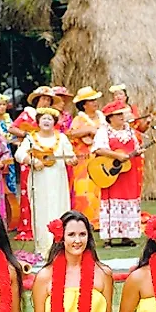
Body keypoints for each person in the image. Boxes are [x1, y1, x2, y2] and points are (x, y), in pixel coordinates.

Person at [15, 108, 77, 258]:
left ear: (54, 122)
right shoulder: (31, 138)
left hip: (58, 181)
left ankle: (61, 247)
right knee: (41, 211)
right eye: (44, 118)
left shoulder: (61, 138)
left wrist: (72, 160)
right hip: (39, 180)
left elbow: (70, 155)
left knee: (59, 209)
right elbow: (19, 154)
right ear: (38, 121)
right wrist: (32, 161)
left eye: (50, 119)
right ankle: (43, 248)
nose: (47, 121)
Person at [13, 85, 61, 241]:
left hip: (48, 158)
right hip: (30, 156)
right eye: (43, 98)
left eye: (48, 99)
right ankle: (28, 225)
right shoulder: (28, 114)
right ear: (37, 100)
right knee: (29, 190)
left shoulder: (51, 117)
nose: (46, 102)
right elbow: (11, 128)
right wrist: (26, 135)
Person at [92, 101, 142, 247]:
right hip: (111, 173)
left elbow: (135, 148)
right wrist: (116, 156)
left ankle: (127, 235)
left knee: (129, 198)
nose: (122, 117)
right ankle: (109, 237)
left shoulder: (130, 131)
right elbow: (99, 149)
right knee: (112, 198)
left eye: (122, 114)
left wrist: (137, 153)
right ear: (110, 118)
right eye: (118, 114)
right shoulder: (104, 131)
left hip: (128, 172)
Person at [68, 86, 103, 227]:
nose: (95, 103)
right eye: (91, 100)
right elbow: (71, 133)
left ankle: (100, 219)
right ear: (84, 104)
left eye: (95, 100)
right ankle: (84, 219)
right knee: (84, 188)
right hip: (83, 159)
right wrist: (89, 130)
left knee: (99, 188)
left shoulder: (102, 118)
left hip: (100, 159)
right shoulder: (79, 119)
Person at [109, 84, 149, 197]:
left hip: (134, 144)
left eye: (120, 94)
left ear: (126, 96)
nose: (118, 96)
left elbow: (141, 128)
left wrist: (147, 122)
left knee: (136, 173)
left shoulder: (133, 109)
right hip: (118, 146)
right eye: (115, 94)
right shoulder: (110, 111)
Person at [0, 93, 19, 196]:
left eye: (4, 104)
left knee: (10, 176)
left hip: (8, 152)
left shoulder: (8, 120)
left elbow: (13, 137)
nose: (2, 107)